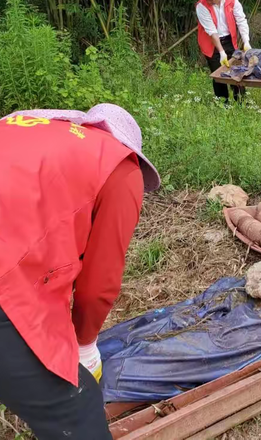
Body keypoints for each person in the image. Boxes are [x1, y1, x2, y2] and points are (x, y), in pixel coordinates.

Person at [0, 104, 161, 440]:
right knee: (77, 407)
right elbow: (97, 289)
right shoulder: (121, 168)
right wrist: (85, 344)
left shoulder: (33, 127)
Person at [196, 0, 251, 102]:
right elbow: (212, 32)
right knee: (218, 75)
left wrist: (246, 42)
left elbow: (241, 20)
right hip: (211, 44)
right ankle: (223, 104)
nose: (209, 2)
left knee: (237, 71)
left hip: (229, 40)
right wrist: (221, 52)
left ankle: (241, 101)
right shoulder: (201, 6)